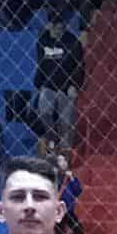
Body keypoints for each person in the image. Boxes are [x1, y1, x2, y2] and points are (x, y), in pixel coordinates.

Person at [33, 13, 83, 148]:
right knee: (43, 113)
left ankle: (66, 151)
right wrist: (38, 84)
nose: (58, 31)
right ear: (49, 26)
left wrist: (75, 85)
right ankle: (52, 141)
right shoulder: (42, 42)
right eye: (55, 28)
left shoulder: (72, 41)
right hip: (48, 85)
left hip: (66, 87)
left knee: (66, 121)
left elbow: (79, 66)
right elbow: (41, 64)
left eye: (61, 28)